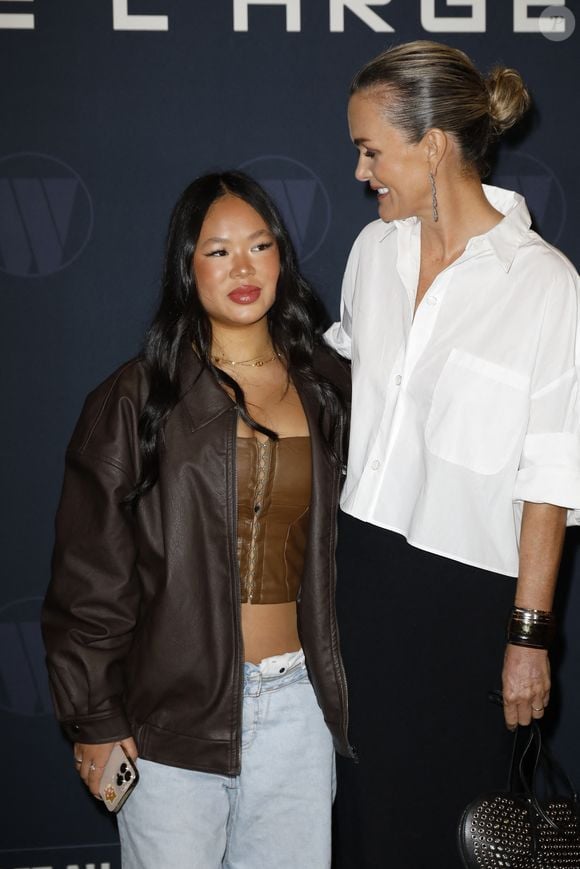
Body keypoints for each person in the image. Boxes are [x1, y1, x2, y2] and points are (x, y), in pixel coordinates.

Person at [42, 170, 353, 869]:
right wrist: (95, 719)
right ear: (188, 267)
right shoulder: (136, 399)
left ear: (281, 258)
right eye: (217, 251)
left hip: (300, 711)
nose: (243, 267)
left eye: (260, 245)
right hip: (170, 720)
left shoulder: (331, 388)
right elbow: (89, 579)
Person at [325, 41, 580, 867]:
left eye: (372, 149)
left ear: (433, 145)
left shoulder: (543, 284)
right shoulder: (373, 254)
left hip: (467, 602)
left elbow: (551, 474)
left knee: (450, 830)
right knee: (366, 819)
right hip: (359, 580)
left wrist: (529, 636)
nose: (363, 171)